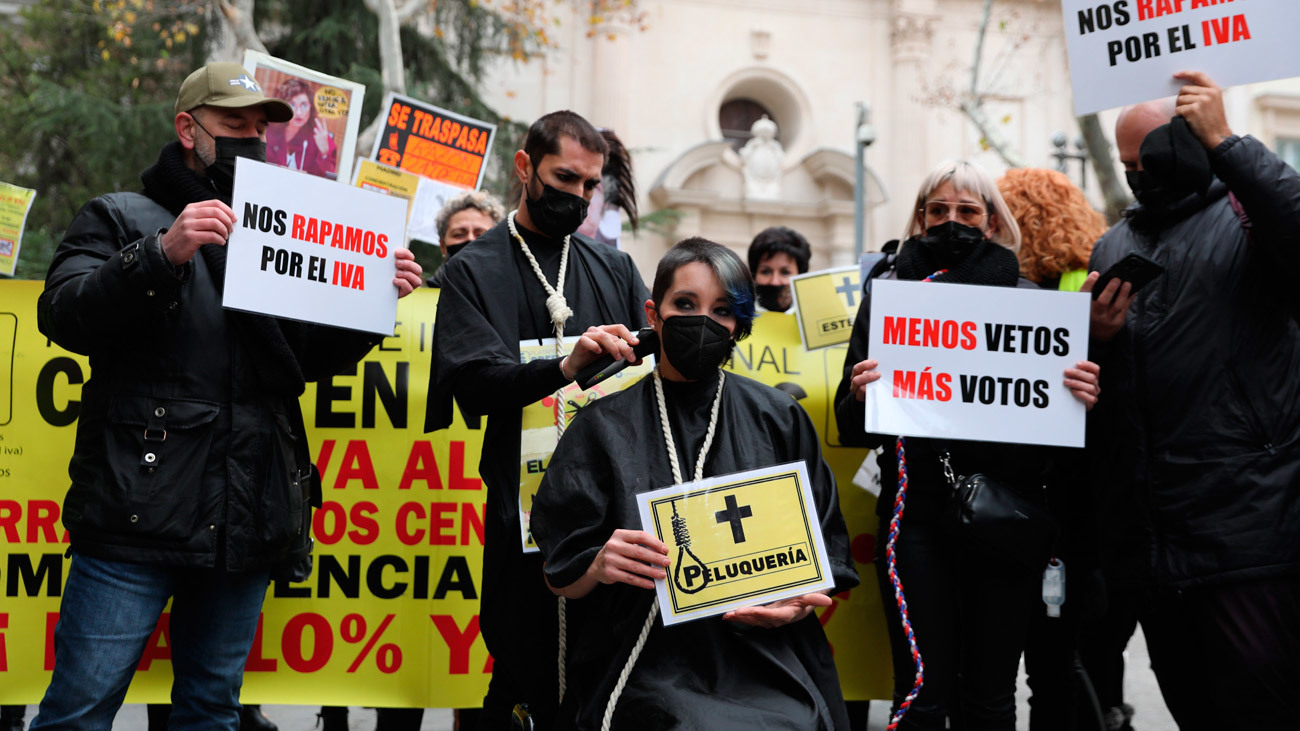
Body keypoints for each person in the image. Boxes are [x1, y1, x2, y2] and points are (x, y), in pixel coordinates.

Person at [30, 62, 422, 730]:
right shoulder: (121, 216)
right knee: (79, 711)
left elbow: (300, 363)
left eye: (260, 129)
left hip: (245, 519)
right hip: (136, 517)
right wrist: (160, 253)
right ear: (188, 129)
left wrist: (369, 304)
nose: (250, 140)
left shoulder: (284, 232)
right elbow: (63, 314)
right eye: (232, 124)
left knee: (211, 711)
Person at [532, 237, 858, 729]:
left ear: (738, 325)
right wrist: (599, 563)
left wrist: (793, 606)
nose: (703, 321)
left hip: (765, 657)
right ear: (654, 313)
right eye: (685, 304)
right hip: (645, 656)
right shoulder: (602, 426)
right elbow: (560, 578)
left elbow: (822, 556)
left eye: (722, 310)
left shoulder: (778, 418)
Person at [834, 160, 1101, 730]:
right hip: (917, 519)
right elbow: (850, 425)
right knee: (923, 693)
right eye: (937, 211)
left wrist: (1080, 398)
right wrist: (859, 395)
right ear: (918, 220)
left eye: (966, 211)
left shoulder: (1033, 303)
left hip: (1004, 520)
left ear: (993, 223)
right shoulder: (887, 299)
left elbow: (1062, 446)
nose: (950, 221)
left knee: (989, 695)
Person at [1085, 71, 1300, 730]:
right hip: (1158, 546)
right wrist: (1100, 342)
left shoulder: (1247, 214)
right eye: (1124, 167)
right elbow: (1111, 395)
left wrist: (1229, 142)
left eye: (1146, 161)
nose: (1136, 177)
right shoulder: (1114, 244)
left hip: (1248, 534)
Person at [425, 109, 650, 729]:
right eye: (564, 178)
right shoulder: (472, 270)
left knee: (603, 669)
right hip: (517, 511)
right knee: (527, 666)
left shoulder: (616, 270)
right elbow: (472, 384)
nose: (577, 196)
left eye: (589, 185)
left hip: (609, 511)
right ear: (525, 167)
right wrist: (562, 367)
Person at [997, 167, 1108, 731]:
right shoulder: (1086, 285)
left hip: (1011, 499)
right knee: (1056, 664)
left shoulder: (998, 292)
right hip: (1071, 504)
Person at [427, 189, 506, 287]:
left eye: (481, 235)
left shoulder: (513, 297)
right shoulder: (420, 296)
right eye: (459, 234)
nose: (470, 239)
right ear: (443, 246)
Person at [265, 77, 337, 178]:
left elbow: (328, 180)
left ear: (311, 107)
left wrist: (324, 153)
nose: (299, 113)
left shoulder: (322, 138)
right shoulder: (268, 130)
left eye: (304, 105)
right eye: (292, 105)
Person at [747, 225, 811, 312]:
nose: (774, 282)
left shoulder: (813, 317)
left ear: (800, 275)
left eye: (785, 272)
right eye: (765, 272)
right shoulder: (737, 318)